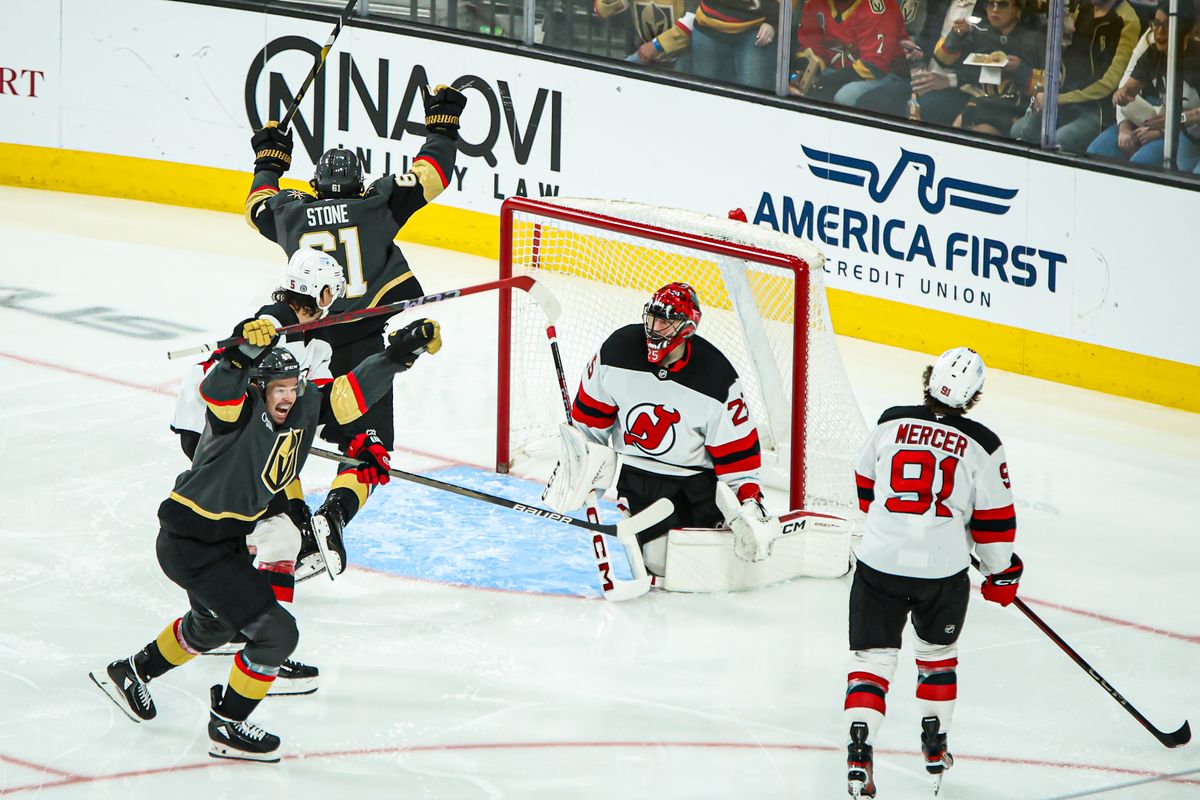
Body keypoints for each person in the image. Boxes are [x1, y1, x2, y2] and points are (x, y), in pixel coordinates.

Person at [89, 316, 442, 761]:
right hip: (189, 540)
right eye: (278, 388)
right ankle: (228, 725)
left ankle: (130, 672)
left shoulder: (303, 404)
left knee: (214, 625)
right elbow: (218, 389)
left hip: (225, 542)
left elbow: (350, 395)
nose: (288, 396)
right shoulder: (236, 413)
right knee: (276, 634)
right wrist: (239, 355)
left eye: (293, 386)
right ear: (258, 387)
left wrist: (398, 355)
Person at [243, 82, 466, 577]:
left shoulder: (292, 211)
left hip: (304, 345)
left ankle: (295, 519)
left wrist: (270, 161)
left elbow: (257, 206)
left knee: (284, 439)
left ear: (317, 185)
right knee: (368, 446)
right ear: (360, 183)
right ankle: (334, 518)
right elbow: (431, 175)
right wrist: (442, 123)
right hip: (363, 347)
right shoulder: (376, 205)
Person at [843, 347, 1021, 798]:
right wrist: (1002, 574)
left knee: (872, 662)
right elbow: (995, 523)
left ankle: (859, 751)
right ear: (974, 395)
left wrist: (895, 525)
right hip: (941, 574)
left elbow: (866, 485)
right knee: (937, 656)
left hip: (879, 561)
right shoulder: (984, 443)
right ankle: (935, 742)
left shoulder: (890, 421)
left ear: (929, 379)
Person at [542, 282, 777, 573]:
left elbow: (738, 458)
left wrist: (750, 504)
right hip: (637, 475)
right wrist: (579, 459)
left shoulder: (716, 379)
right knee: (656, 562)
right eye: (653, 318)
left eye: (666, 321)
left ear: (688, 327)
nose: (655, 327)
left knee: (686, 566)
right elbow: (589, 423)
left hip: (694, 484)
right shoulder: (617, 352)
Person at [172, 248, 344, 582]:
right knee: (250, 489)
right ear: (320, 291)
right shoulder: (277, 319)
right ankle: (245, 550)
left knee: (260, 486)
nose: (334, 298)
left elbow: (317, 400)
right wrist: (251, 331)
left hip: (232, 423)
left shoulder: (318, 341)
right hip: (208, 420)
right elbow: (256, 326)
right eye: (333, 290)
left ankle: (253, 546)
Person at [1011, 0, 1140, 153]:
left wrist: (1056, 96)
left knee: (1060, 141)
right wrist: (1060, 35)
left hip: (1097, 108)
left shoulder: (1127, 21)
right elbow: (1067, 56)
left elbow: (1108, 82)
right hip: (1066, 101)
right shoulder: (1082, 8)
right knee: (1019, 131)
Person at [1086, 1, 1200, 171]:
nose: (1159, 32)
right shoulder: (1153, 52)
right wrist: (1122, 95)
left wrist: (1175, 120)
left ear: (1186, 31)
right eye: (1156, 24)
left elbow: (1178, 119)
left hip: (1187, 133)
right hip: (1181, 132)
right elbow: (1128, 88)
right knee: (1096, 153)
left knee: (1188, 177)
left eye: (1167, 25)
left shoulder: (1196, 58)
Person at [934, 0, 1044, 136]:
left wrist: (1020, 69)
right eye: (990, 3)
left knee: (977, 128)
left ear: (1018, 10)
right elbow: (944, 60)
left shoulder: (1035, 40)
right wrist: (956, 36)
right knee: (929, 105)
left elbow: (1053, 84)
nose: (995, 10)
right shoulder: (980, 32)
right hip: (979, 98)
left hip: (1016, 105)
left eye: (1002, 4)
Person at [791, 0, 911, 108]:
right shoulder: (815, 4)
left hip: (885, 76)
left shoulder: (881, 6)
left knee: (845, 96)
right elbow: (811, 49)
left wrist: (823, 82)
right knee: (794, 87)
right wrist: (805, 74)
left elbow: (873, 65)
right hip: (835, 72)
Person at [689, 0, 778, 91]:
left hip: (757, 27)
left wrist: (774, 21)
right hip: (709, 24)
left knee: (754, 92)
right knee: (704, 90)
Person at [594, 0, 695, 69]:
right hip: (646, 56)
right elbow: (603, 9)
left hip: (682, 57)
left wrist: (656, 45)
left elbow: (692, 22)